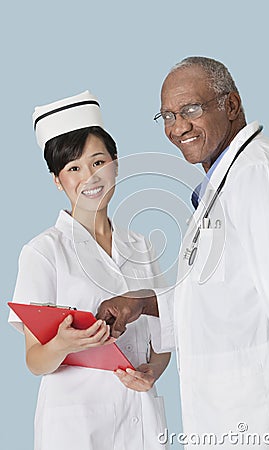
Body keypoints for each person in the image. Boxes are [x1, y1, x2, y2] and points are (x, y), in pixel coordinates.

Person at [97, 57, 269, 447]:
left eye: (191, 109)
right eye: (168, 115)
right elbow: (218, 299)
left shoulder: (259, 175)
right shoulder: (222, 184)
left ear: (232, 105)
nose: (178, 127)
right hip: (227, 420)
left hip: (265, 421)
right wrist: (141, 304)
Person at [8, 90, 170, 450]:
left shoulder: (141, 246)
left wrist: (151, 373)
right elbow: (35, 360)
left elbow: (163, 338)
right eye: (74, 168)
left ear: (116, 161)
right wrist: (63, 344)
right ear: (57, 180)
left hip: (141, 418)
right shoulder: (43, 252)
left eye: (98, 162)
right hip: (74, 425)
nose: (90, 177)